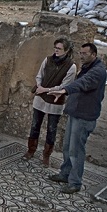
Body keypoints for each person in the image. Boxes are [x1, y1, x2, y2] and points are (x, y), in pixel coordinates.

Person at [47, 42, 107, 194]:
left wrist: (65, 90)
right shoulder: (87, 67)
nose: (81, 56)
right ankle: (65, 174)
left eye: (85, 53)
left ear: (94, 54)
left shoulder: (98, 71)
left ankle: (75, 182)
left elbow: (83, 83)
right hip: (76, 112)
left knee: (76, 150)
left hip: (84, 116)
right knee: (67, 146)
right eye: (80, 53)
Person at [23, 38, 76, 166]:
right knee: (35, 125)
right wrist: (39, 86)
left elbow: (65, 85)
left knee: (51, 129)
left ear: (66, 50)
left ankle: (46, 155)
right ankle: (31, 150)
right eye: (55, 48)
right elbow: (39, 75)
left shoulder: (71, 66)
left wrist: (45, 89)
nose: (56, 51)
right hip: (41, 98)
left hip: (55, 102)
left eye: (59, 49)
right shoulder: (47, 60)